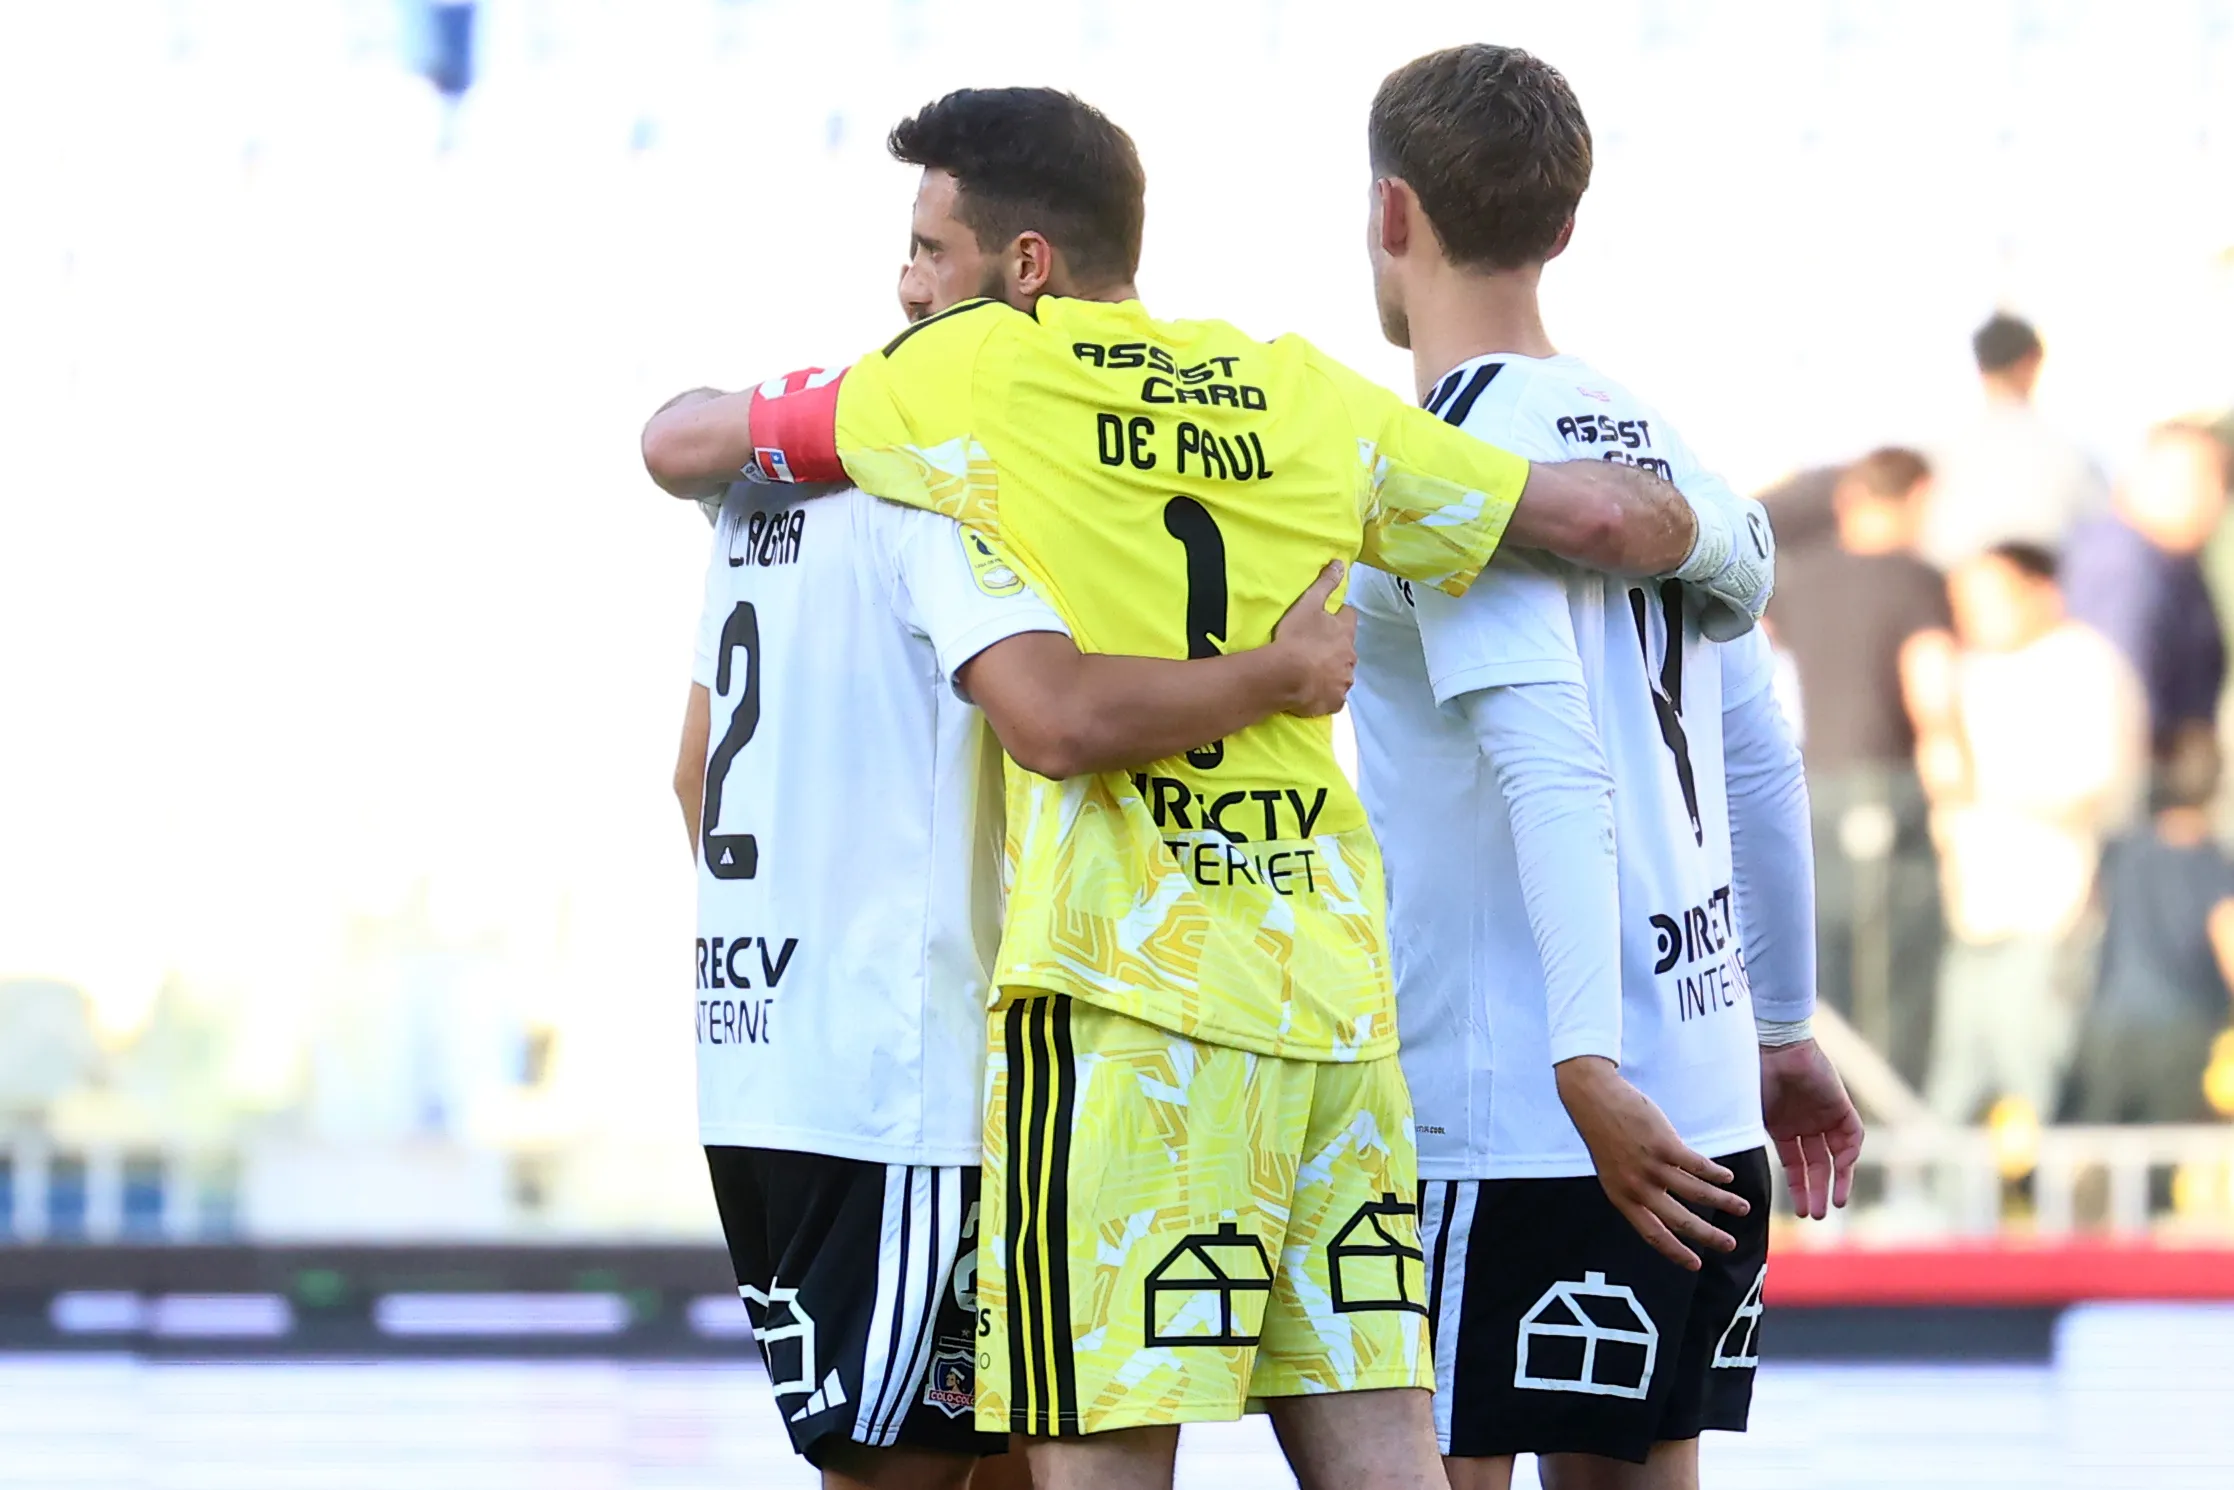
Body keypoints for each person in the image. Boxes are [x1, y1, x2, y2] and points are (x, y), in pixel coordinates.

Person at [640, 87, 1776, 1490]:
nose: (908, 280)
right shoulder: (1295, 389)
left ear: (1025, 264)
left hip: (1132, 1000)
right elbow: (1598, 518)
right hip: (1326, 993)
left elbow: (686, 441)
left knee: (1096, 1451)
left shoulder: (965, 380)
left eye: (931, 247)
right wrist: (1728, 533)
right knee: (1375, 1440)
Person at [666, 314, 1361, 1490]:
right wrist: (1281, 676)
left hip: (763, 1056)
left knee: (976, 1460)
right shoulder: (937, 486)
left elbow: (692, 773)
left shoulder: (752, 502)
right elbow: (1055, 718)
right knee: (911, 1469)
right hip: (909, 1084)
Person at [1343, 46, 1860, 1490]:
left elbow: (1552, 766)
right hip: (1696, 1104)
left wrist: (1581, 1060)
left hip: (1523, 1108)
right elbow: (1759, 751)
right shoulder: (1661, 444)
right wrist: (1776, 1021)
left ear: (1391, 216)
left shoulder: (1447, 463)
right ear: (1562, 225)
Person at [1913, 542, 2146, 1124]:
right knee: (1957, 1078)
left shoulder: (2085, 665)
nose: (1970, 614)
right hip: (1973, 911)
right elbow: (1943, 783)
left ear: (2042, 593)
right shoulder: (1969, 670)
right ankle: (1946, 1207)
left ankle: (2048, 1207)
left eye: (1988, 598)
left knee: (2036, 1071)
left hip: (2050, 910)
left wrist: (1981, 780)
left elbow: (2091, 788)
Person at [1767, 448, 1951, 1088]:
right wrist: (1953, 797)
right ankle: (1888, 1156)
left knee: (1828, 984)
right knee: (1895, 994)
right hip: (1891, 791)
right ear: (1912, 500)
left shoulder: (1798, 580)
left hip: (1815, 791)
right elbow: (1932, 690)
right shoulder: (1915, 578)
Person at [2063, 731, 2234, 1125]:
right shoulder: (2212, 866)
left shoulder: (2125, 849)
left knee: (2097, 1155)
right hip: (2180, 1032)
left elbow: (2086, 915)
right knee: (2156, 1167)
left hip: (2109, 1023)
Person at [2062, 422, 2229, 759]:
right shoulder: (2124, 567)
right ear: (2139, 480)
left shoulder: (2171, 565)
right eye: (2199, 481)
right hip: (2140, 791)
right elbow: (2121, 709)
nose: (2216, 500)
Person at [1918, 312, 2107, 569]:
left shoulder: (1939, 453)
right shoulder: (2069, 454)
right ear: (2031, 361)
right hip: (2041, 590)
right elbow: (2097, 533)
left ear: (1979, 365)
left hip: (1954, 591)